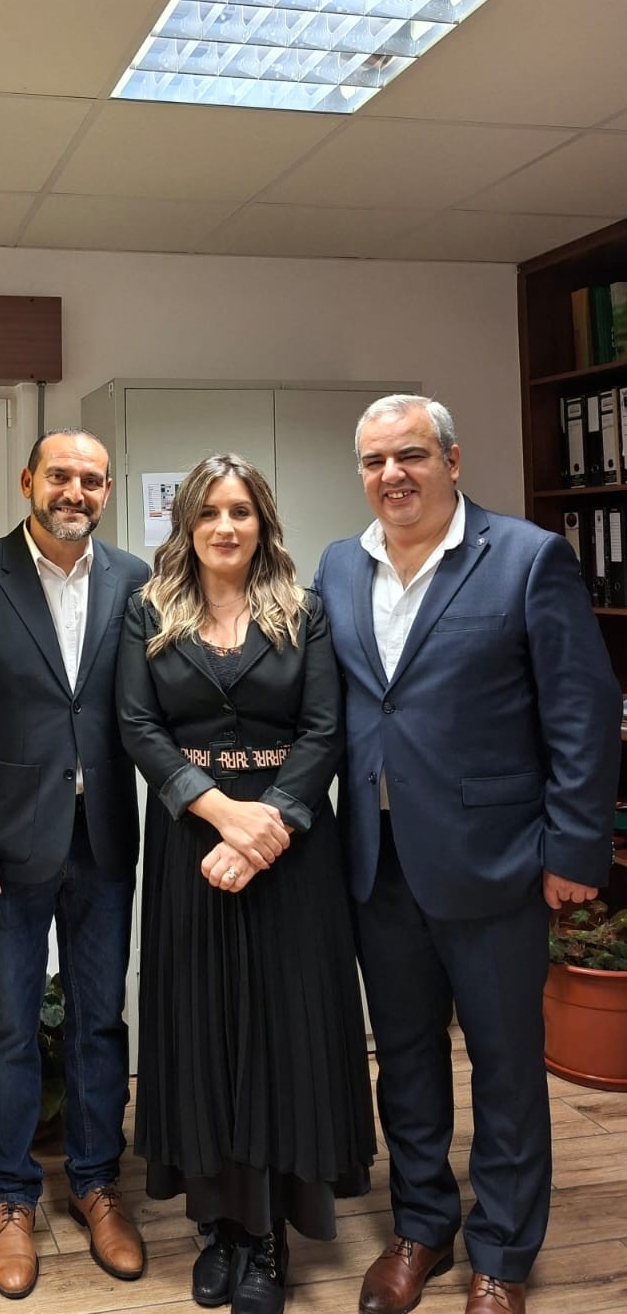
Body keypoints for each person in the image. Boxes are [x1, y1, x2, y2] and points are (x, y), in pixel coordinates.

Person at [315, 394, 621, 1314]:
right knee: (405, 1059)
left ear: (451, 459)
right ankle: (422, 1227)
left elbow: (581, 712)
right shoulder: (339, 565)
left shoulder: (526, 557)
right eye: (374, 461)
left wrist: (575, 848)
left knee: (506, 1065)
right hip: (378, 863)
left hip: (497, 863)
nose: (392, 475)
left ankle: (503, 1253)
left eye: (410, 455)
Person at [117, 454, 375, 1314]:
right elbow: (138, 725)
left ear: (263, 522)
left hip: (291, 851)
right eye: (209, 512)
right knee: (201, 1026)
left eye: (241, 511)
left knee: (280, 1029)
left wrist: (268, 831)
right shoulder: (148, 610)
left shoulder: (304, 611)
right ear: (186, 524)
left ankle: (267, 1237)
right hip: (191, 842)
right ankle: (218, 1226)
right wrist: (223, 813)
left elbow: (324, 729)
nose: (225, 527)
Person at [0, 428, 150, 1299]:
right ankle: (10, 1197)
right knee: (6, 1026)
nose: (76, 492)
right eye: (61, 475)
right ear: (28, 479)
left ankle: (96, 1182)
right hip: (6, 845)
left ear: (107, 492)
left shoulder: (135, 580)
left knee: (100, 1020)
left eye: (93, 481)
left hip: (103, 838)